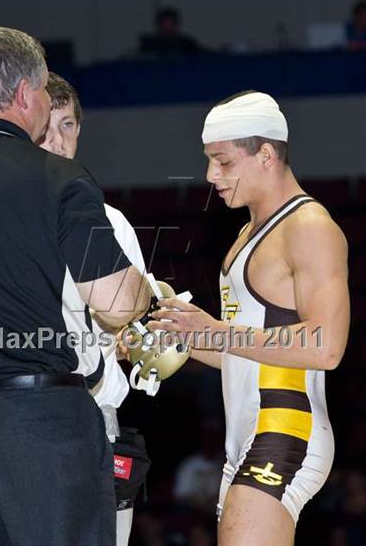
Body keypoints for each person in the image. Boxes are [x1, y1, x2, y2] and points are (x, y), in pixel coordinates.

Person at [0, 26, 151, 546]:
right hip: (39, 425)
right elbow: (117, 304)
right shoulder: (57, 179)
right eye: (42, 91)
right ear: (23, 95)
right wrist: (148, 293)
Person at [144, 91, 350, 545]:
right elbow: (248, 351)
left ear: (266, 155)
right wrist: (178, 337)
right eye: (208, 162)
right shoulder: (248, 233)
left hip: (284, 431)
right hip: (249, 435)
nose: (210, 176)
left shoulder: (309, 227)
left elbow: (326, 346)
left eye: (223, 162)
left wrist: (215, 330)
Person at [39, 71, 148, 546]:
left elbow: (129, 330)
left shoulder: (111, 224)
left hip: (93, 415)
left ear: (80, 130)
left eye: (67, 125)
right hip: (10, 411)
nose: (56, 141)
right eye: (45, 126)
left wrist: (141, 339)